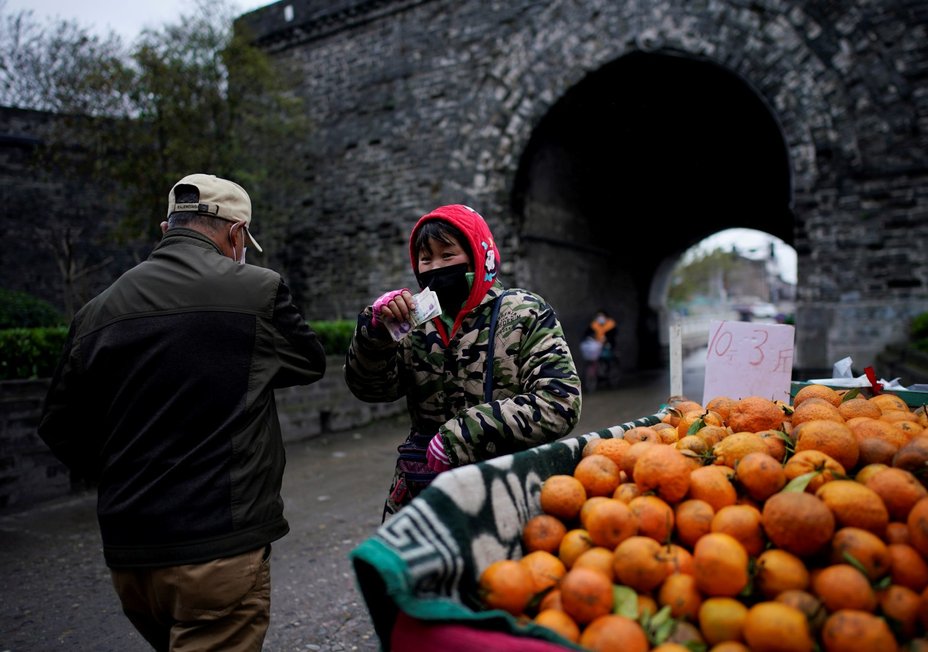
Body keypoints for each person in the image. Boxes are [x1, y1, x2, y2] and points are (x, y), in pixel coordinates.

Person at [37, 173, 327, 652]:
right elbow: (309, 361)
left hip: (131, 556)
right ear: (236, 235)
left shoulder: (95, 312)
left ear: (164, 228)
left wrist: (120, 476)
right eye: (243, 243)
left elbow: (58, 424)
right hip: (219, 549)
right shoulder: (256, 290)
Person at [344, 204, 582, 521]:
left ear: (477, 254)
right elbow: (373, 389)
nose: (435, 267)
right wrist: (374, 335)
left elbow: (560, 402)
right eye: (425, 259)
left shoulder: (524, 312)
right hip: (424, 494)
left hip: (507, 491)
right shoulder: (415, 321)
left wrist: (463, 434)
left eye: (448, 255)